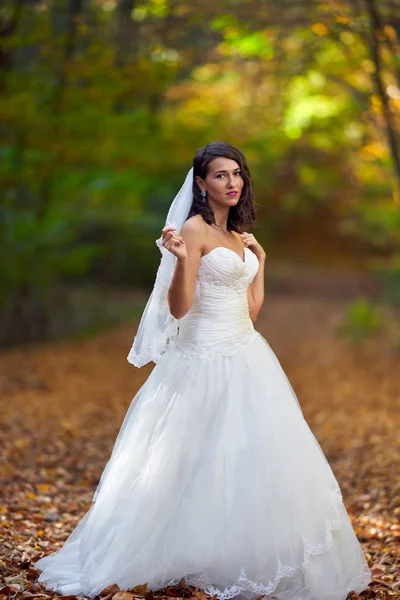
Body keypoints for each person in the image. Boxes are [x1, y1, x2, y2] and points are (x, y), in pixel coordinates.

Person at [35, 141, 372, 600]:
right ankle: (175, 555)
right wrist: (178, 260)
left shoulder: (238, 236)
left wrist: (263, 263)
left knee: (250, 459)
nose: (232, 182)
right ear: (201, 182)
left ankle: (237, 554)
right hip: (200, 360)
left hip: (247, 354)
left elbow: (251, 311)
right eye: (220, 175)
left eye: (237, 174)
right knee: (189, 461)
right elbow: (179, 308)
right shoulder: (192, 231)